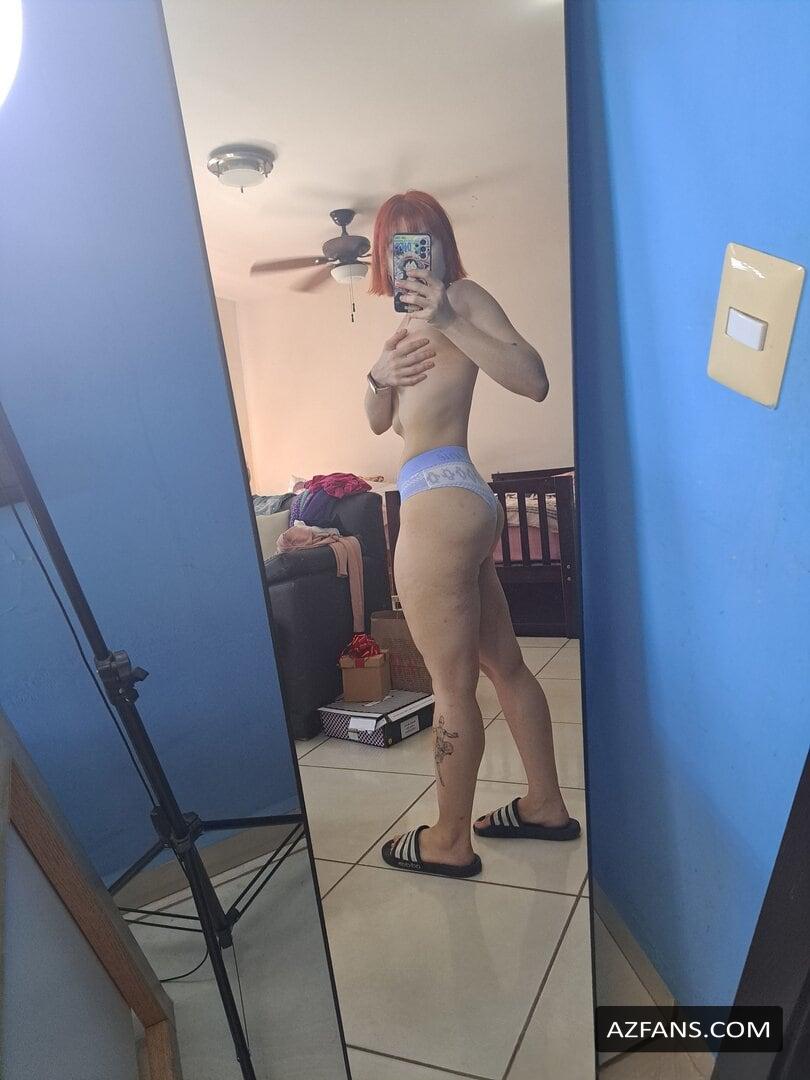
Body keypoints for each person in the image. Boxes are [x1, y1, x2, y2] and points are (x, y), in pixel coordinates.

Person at [364, 191, 580, 878]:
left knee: (451, 687)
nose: (410, 254)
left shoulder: (460, 299)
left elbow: (535, 380)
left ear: (442, 244)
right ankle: (544, 805)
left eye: (422, 238)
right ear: (383, 255)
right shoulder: (402, 331)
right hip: (454, 495)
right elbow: (381, 422)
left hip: (437, 502)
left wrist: (450, 317)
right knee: (502, 664)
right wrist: (376, 376)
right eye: (397, 243)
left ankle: (448, 841)